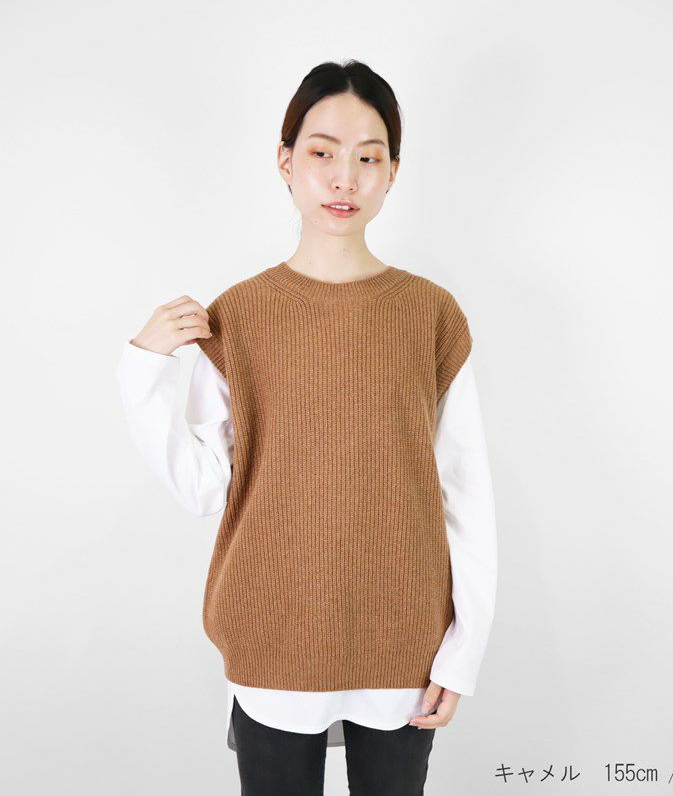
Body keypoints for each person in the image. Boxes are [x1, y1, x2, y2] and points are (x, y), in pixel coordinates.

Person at [116, 59, 498, 795]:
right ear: (285, 160)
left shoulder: (430, 314)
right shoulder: (239, 316)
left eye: (369, 157)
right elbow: (204, 488)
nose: (344, 178)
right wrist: (143, 370)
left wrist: (464, 648)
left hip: (402, 643)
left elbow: (465, 492)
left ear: (393, 172)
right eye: (322, 152)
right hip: (272, 640)